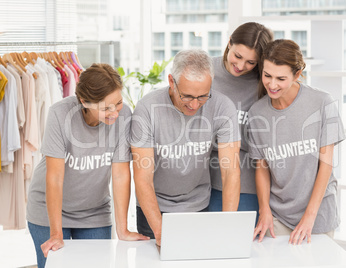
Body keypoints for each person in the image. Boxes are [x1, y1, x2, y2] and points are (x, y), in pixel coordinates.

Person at [26, 63, 149, 268]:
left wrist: (123, 229)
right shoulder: (60, 114)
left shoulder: (124, 115)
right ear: (84, 101)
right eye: (105, 108)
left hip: (95, 212)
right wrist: (56, 234)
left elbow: (120, 174)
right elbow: (55, 177)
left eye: (117, 103)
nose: (114, 113)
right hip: (49, 213)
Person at [130, 49, 241, 246]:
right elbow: (142, 177)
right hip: (154, 206)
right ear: (171, 82)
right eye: (187, 96)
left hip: (197, 205)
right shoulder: (147, 109)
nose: (195, 105)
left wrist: (229, 225)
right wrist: (159, 230)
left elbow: (230, 172)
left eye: (203, 96)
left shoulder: (223, 107)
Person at [248, 39, 346, 245]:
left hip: (318, 213)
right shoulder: (257, 113)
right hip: (278, 216)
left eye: (281, 78)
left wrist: (310, 217)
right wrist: (264, 211)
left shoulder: (322, 102)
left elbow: (326, 165)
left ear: (297, 75)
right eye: (267, 75)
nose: (272, 85)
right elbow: (262, 167)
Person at [209, 22, 273, 217]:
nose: (241, 66)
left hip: (246, 184)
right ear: (229, 43)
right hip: (203, 182)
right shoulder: (206, 71)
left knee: (239, 243)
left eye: (251, 62)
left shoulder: (264, 83)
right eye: (237, 56)